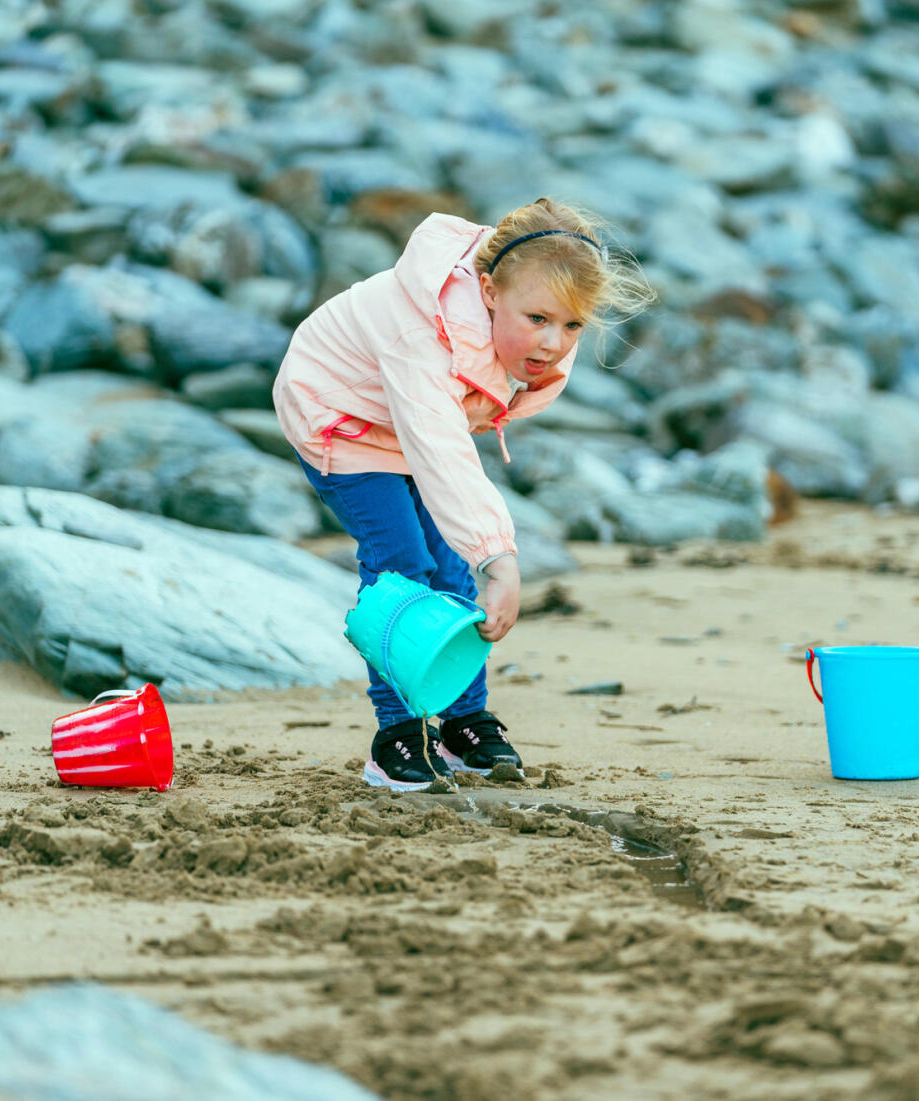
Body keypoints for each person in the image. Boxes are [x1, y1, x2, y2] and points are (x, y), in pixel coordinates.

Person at [273, 197, 653, 791]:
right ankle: (396, 733)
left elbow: (444, 430)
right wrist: (499, 558)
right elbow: (442, 451)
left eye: (572, 325)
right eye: (538, 321)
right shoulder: (419, 335)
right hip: (340, 417)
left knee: (452, 572)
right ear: (490, 291)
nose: (554, 343)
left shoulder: (533, 313)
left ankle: (463, 721)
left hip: (410, 419)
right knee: (402, 564)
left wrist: (478, 559)